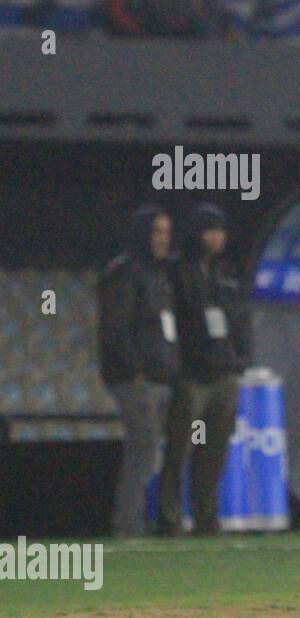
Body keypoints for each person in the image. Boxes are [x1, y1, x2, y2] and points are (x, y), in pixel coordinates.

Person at [157, 204, 250, 536]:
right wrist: (183, 362)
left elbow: (238, 318)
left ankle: (206, 517)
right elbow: (178, 322)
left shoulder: (224, 272)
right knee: (179, 448)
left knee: (215, 451)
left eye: (221, 230)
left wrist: (239, 358)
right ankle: (169, 519)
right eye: (211, 230)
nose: (217, 237)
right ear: (197, 234)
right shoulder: (178, 271)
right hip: (192, 376)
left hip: (224, 374)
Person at [97, 206, 180, 536]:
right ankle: (128, 526)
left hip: (161, 376)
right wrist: (135, 372)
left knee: (148, 452)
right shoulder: (125, 273)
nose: (163, 239)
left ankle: (138, 523)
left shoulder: (159, 274)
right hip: (136, 379)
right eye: (157, 231)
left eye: (166, 232)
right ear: (143, 234)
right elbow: (115, 330)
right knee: (143, 449)